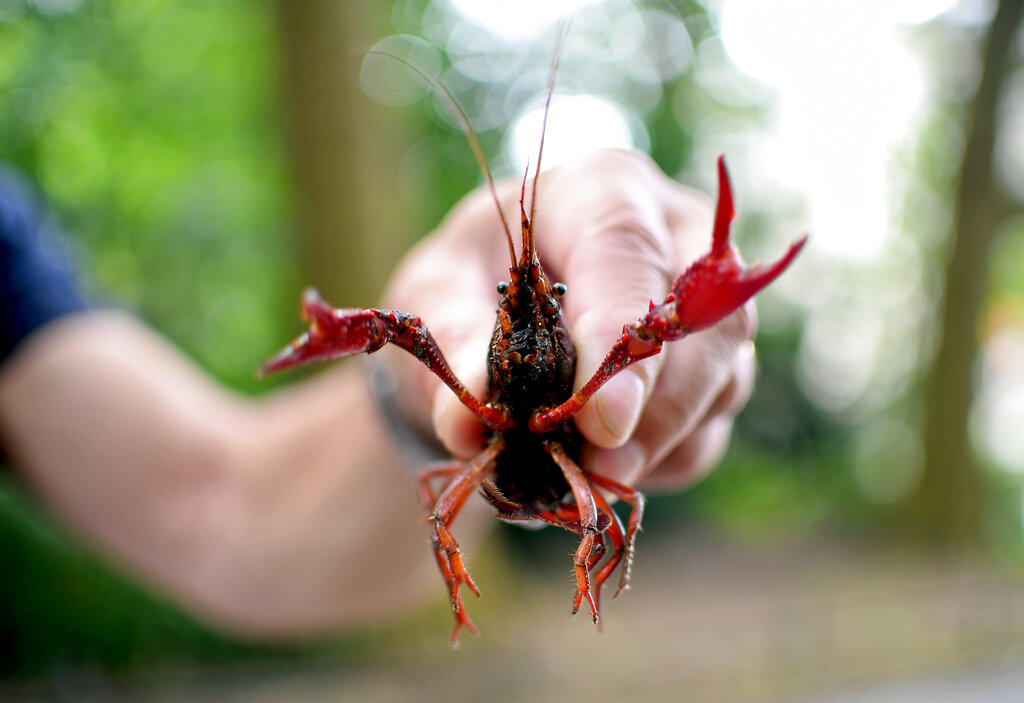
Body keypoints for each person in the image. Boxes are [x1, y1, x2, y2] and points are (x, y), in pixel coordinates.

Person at [0, 149, 755, 638]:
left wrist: (411, 402)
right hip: (497, 466)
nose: (523, 306)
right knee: (443, 500)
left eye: (542, 296)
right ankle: (466, 598)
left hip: (540, 461)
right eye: (509, 294)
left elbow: (219, 500)